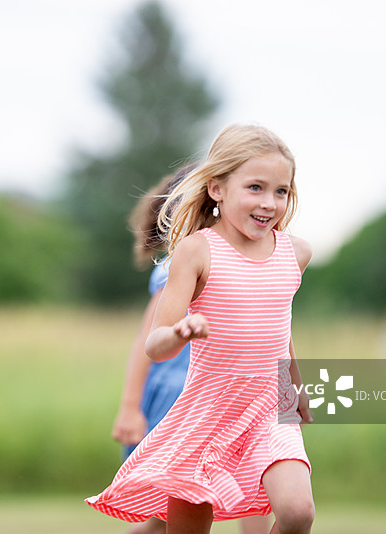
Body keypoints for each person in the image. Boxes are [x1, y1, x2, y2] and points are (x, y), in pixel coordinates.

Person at [87, 124, 314, 534]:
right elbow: (154, 345)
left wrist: (295, 391)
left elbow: (281, 330)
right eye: (256, 188)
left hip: (268, 409)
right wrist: (180, 333)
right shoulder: (196, 251)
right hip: (208, 412)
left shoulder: (295, 254)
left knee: (297, 513)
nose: (269, 203)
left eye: (281, 191)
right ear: (217, 189)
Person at [112, 165, 271, 534]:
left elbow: (268, 339)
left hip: (233, 399)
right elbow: (145, 341)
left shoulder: (258, 264)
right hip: (180, 399)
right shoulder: (184, 265)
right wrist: (129, 408)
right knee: (162, 520)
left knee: (256, 482)